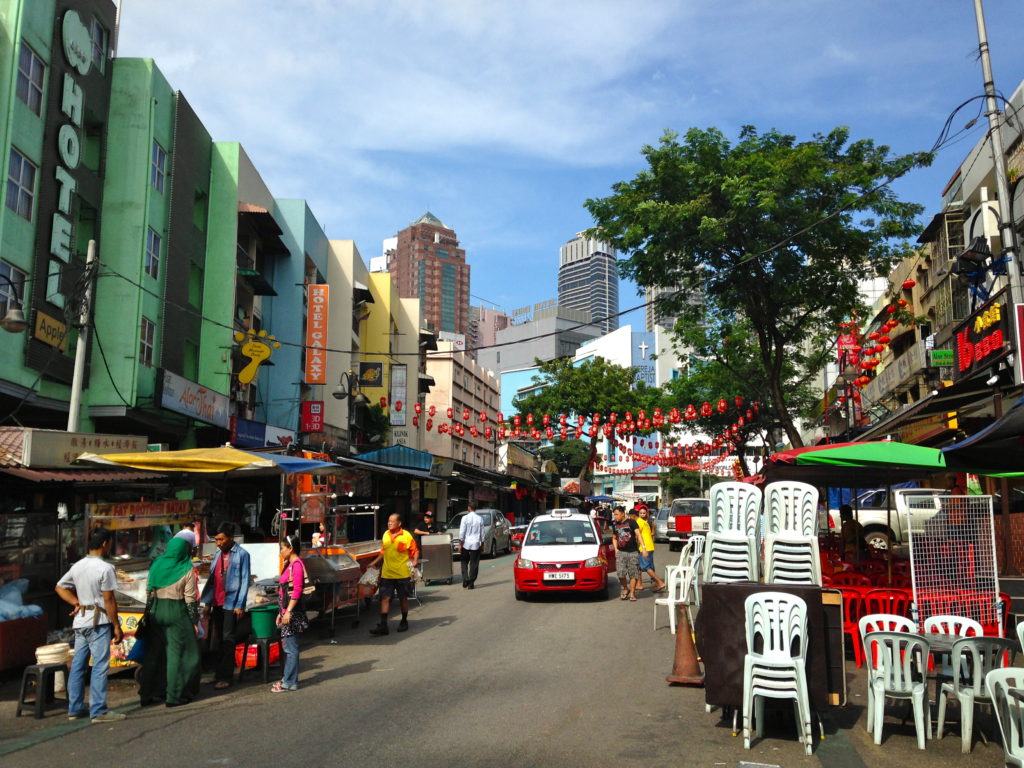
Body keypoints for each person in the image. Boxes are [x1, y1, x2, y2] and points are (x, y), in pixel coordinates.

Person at [54, 527, 126, 723]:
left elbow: (60, 587)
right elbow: (109, 600)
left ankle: (75, 708)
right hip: (99, 622)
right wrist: (117, 625)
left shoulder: (78, 565)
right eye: (110, 542)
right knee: (100, 666)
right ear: (105, 544)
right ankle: (99, 710)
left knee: (78, 666)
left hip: (81, 621)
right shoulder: (105, 568)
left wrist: (76, 602)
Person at [139, 537, 201, 707]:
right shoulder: (186, 567)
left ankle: (147, 694)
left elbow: (149, 591)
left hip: (155, 611)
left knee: (154, 653)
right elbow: (190, 599)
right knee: (180, 655)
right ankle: (174, 696)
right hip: (177, 612)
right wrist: (194, 620)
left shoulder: (157, 564)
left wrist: (148, 613)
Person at [199, 522, 252, 689]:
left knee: (228, 639)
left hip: (231, 603)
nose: (218, 542)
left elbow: (244, 580)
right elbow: (212, 580)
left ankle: (226, 677)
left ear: (230, 538)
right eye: (216, 539)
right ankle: (217, 674)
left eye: (221, 539)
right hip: (217, 602)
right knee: (218, 639)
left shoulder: (242, 554)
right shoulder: (217, 555)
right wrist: (207, 602)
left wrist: (240, 604)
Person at [367, 514, 419, 636]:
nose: (389, 523)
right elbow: (383, 552)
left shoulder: (406, 536)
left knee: (403, 598)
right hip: (387, 573)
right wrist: (373, 563)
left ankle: (404, 621)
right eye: (388, 521)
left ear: (399, 523)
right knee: (385, 598)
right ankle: (383, 625)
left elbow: (415, 550)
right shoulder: (385, 534)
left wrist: (415, 561)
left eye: (392, 521)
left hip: (402, 573)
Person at [272, 534, 309, 692]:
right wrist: (281, 612)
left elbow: (297, 591)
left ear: (291, 548)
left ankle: (289, 682)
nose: (281, 551)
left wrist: (288, 612)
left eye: (282, 548)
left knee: (291, 648)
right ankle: (289, 680)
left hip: (292, 613)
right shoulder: (289, 564)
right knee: (289, 647)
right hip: (287, 612)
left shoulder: (297, 565)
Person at [611, 506, 644, 601]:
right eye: (614, 515)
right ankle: (626, 589)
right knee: (620, 573)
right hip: (621, 552)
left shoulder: (631, 522)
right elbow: (614, 537)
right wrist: (616, 549)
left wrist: (644, 548)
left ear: (622, 513)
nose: (615, 517)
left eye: (617, 514)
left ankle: (632, 593)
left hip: (633, 552)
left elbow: (638, 534)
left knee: (633, 574)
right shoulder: (615, 525)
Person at [633, 507, 667, 593]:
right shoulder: (645, 522)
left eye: (644, 513)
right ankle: (639, 584)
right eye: (640, 513)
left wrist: (639, 546)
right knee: (640, 566)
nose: (642, 514)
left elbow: (637, 536)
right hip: (649, 546)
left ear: (647, 513)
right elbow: (651, 534)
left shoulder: (640, 522)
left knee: (646, 567)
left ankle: (659, 582)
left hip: (645, 547)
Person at [458, 502, 485, 589]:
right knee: (474, 563)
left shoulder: (464, 518)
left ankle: (466, 579)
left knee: (464, 561)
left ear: (469, 508)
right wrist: (482, 544)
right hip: (476, 543)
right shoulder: (480, 519)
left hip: (466, 543)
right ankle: (471, 582)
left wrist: (460, 544)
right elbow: (482, 533)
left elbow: (462, 532)